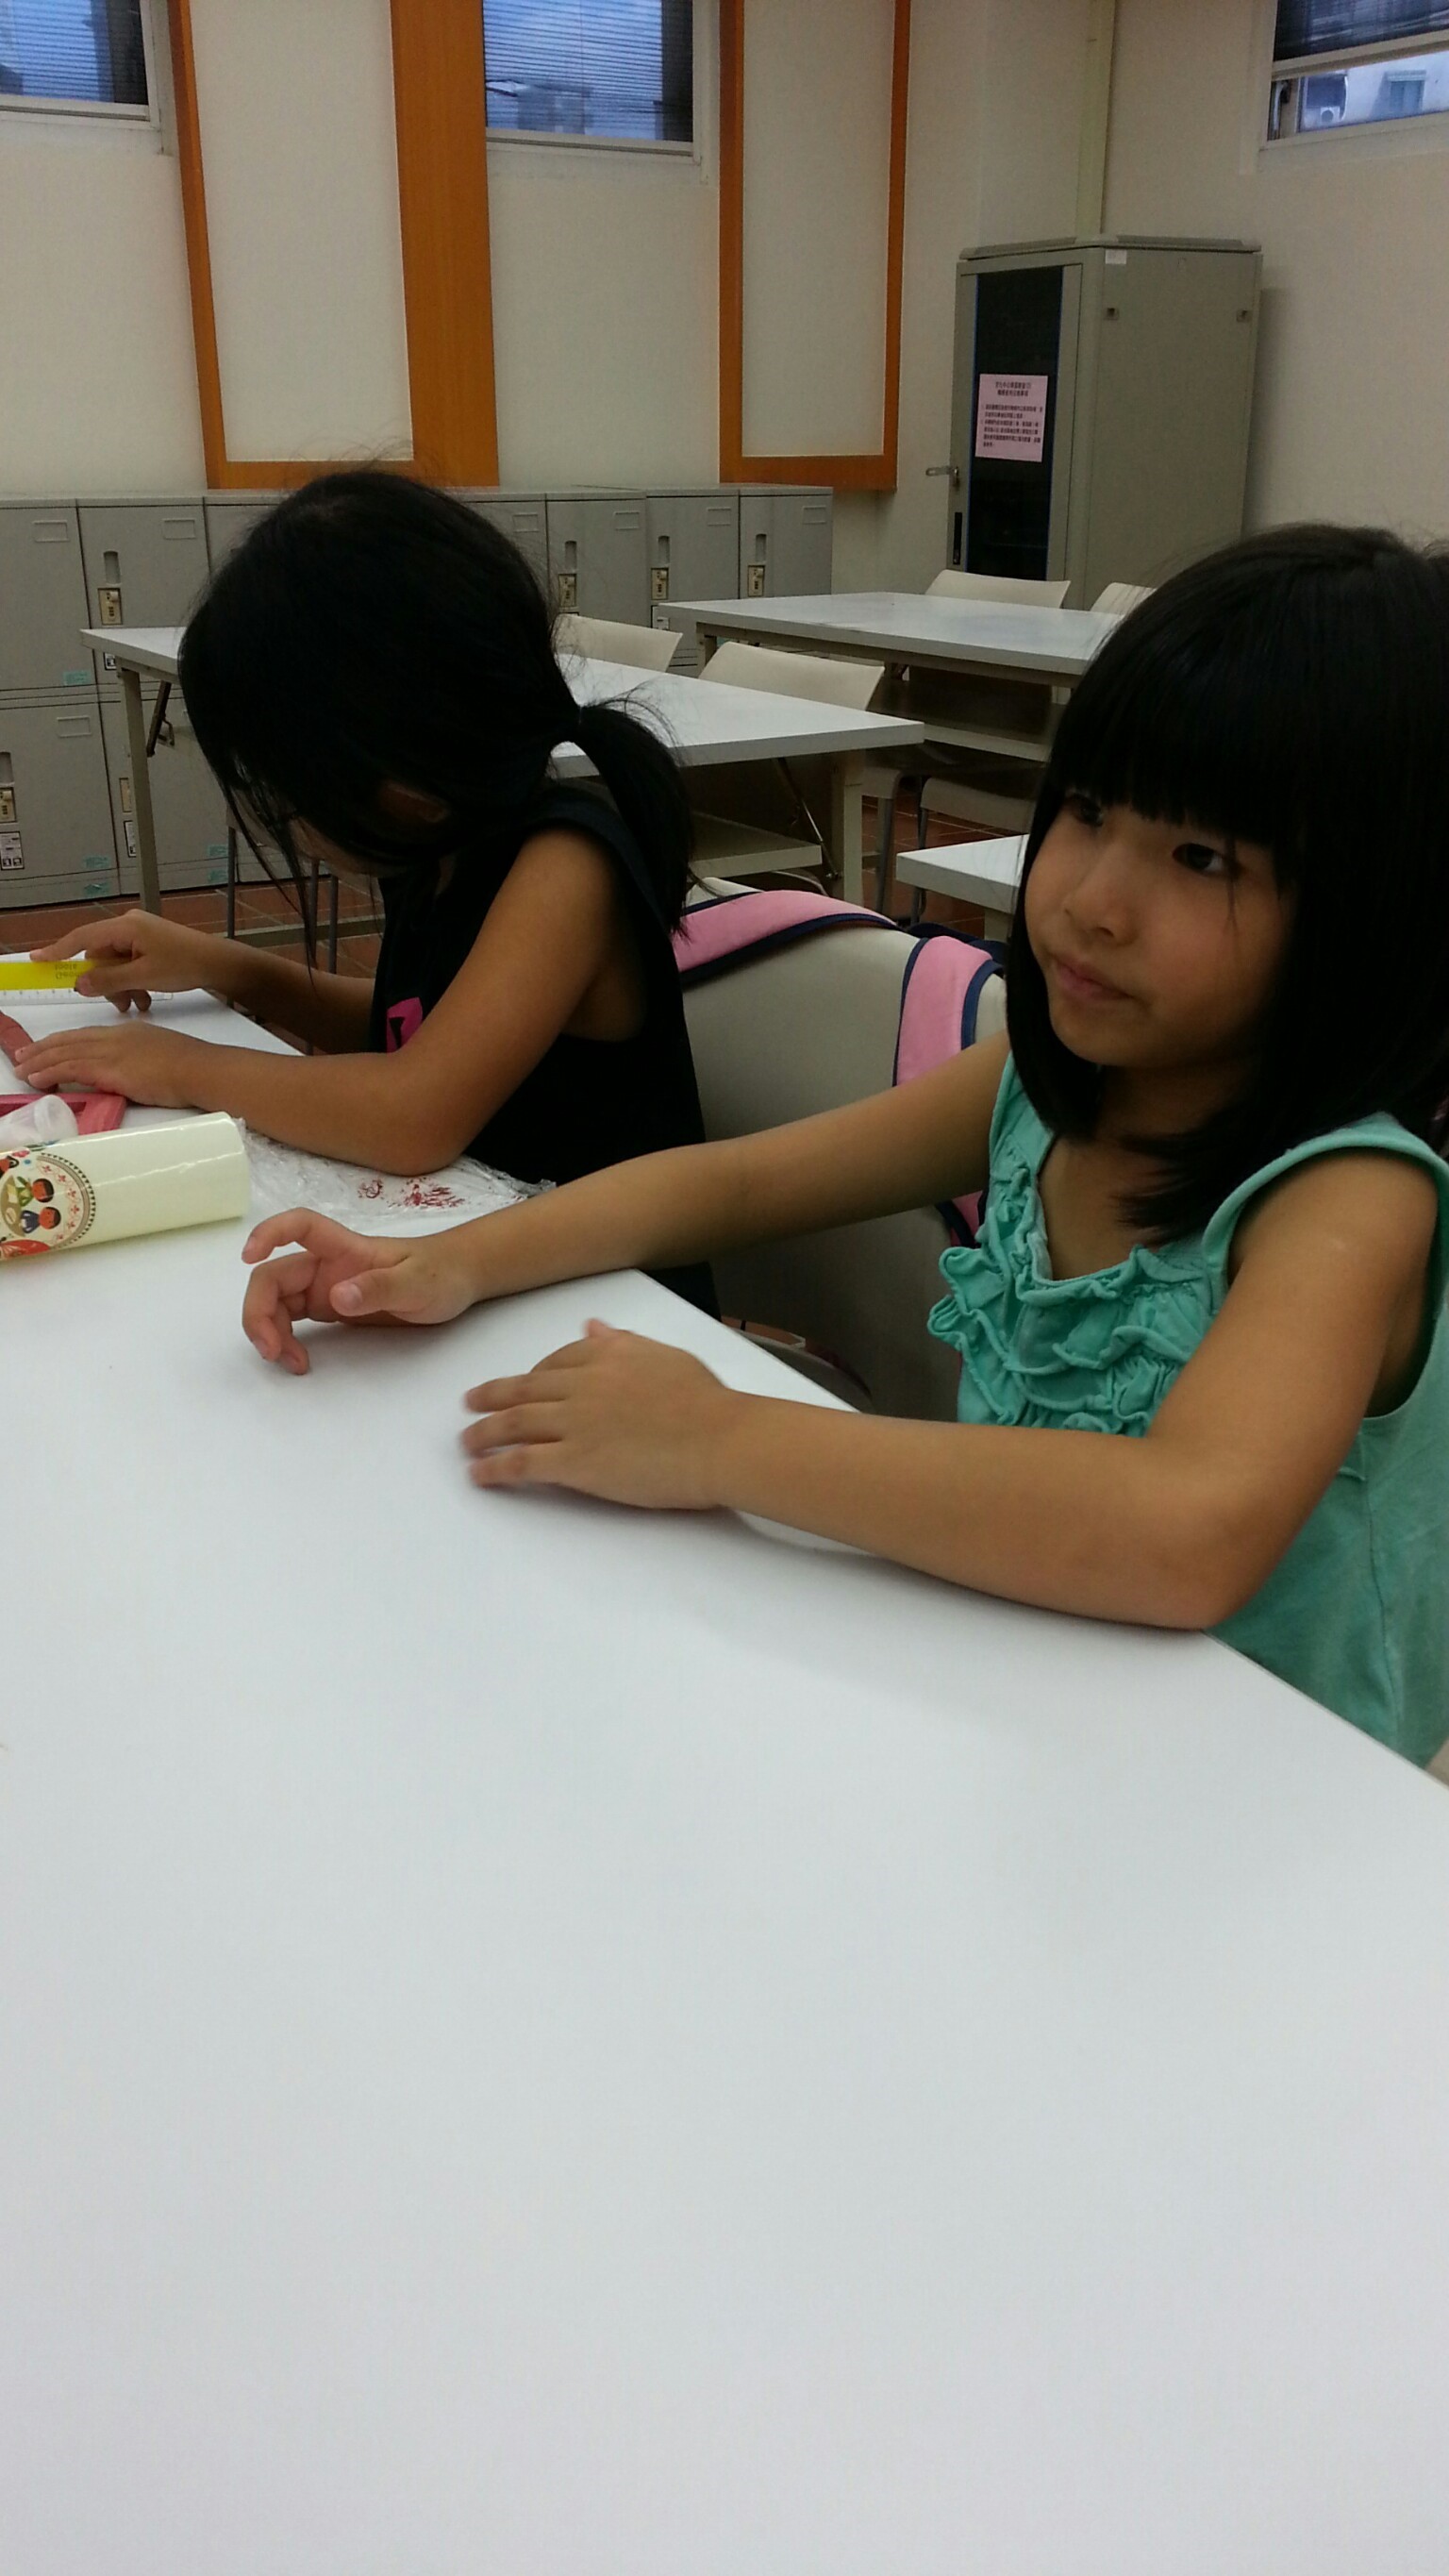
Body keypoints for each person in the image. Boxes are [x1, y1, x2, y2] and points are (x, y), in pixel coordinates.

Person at [240, 527, 1449, 1762]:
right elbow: (738, 1182)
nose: (1093, 899)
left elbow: (1189, 1529)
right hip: (1022, 1693)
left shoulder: (1347, 1198)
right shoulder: (1048, 1087)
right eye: (1088, 810)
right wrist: (446, 1261)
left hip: (1271, 1789)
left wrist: (719, 1438)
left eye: (1201, 857)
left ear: (1372, 909)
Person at [13, 471, 715, 1308]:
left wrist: (186, 1066)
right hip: (480, 1258)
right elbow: (415, 1028)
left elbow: (413, 1112)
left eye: (290, 789)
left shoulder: (564, 867)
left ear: (396, 761)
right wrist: (224, 966)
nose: (288, 816)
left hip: (612, 1305)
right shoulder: (437, 848)